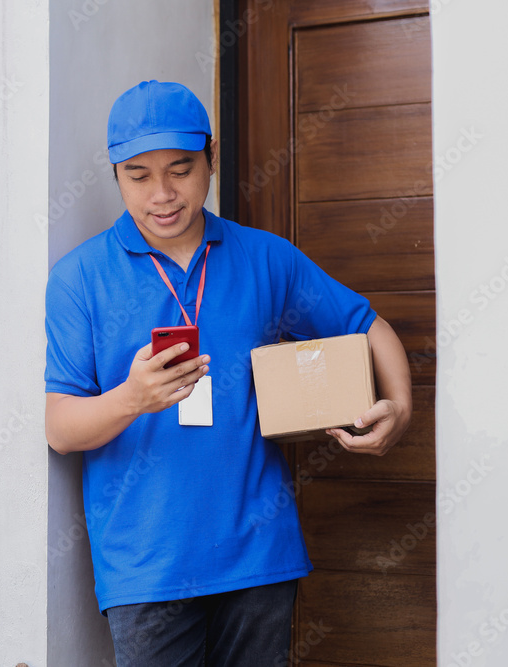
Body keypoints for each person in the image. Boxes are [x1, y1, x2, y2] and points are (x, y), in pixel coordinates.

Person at [44, 80, 412, 666]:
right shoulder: (78, 278)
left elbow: (365, 325)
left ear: (211, 157)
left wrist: (401, 407)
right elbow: (60, 429)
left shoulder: (267, 257)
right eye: (138, 176)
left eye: (181, 169)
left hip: (259, 556)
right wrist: (132, 398)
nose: (162, 194)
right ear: (115, 174)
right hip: (146, 570)